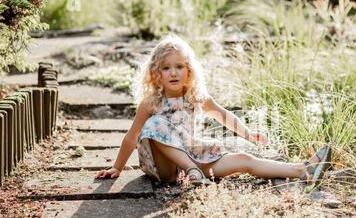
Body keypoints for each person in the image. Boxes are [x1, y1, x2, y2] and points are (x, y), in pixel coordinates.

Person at [95, 35, 332, 186]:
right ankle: (190, 170)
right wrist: (117, 167)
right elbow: (132, 136)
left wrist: (249, 135)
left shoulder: (196, 97)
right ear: (157, 73)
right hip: (164, 168)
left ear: (189, 71)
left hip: (194, 158)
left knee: (244, 159)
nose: (174, 73)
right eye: (166, 68)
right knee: (155, 124)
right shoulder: (151, 102)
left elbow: (225, 116)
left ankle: (303, 170)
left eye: (179, 67)